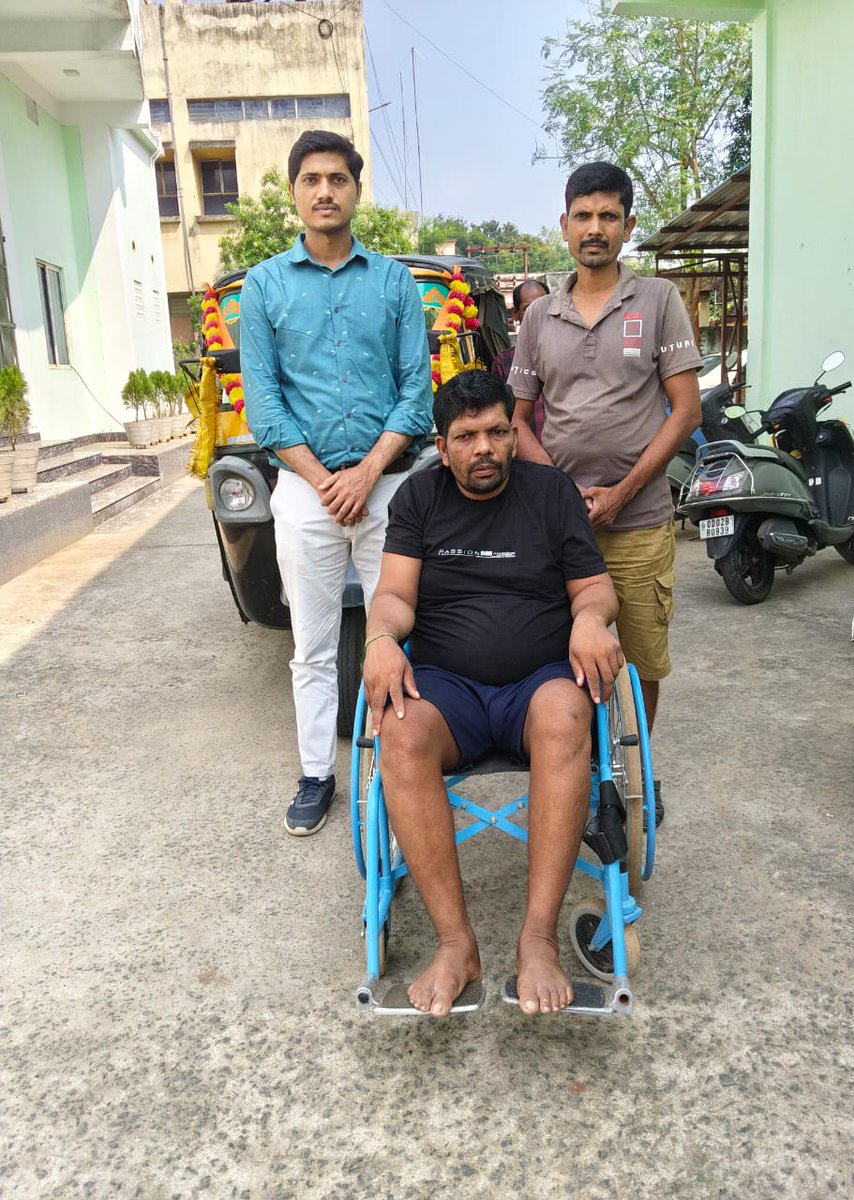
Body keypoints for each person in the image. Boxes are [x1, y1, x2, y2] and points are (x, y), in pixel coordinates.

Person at [363, 370, 624, 1017]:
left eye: (497, 432)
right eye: (466, 436)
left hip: (537, 682)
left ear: (515, 433)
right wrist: (380, 638)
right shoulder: (418, 499)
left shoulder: (550, 493)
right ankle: (457, 946)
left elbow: (594, 587)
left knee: (569, 713)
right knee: (397, 732)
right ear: (442, 444)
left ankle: (537, 943)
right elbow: (395, 595)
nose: (483, 448)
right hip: (447, 689)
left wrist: (590, 618)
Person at [240, 130, 432, 837]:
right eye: (311, 179)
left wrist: (369, 471)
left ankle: (397, 767)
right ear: (295, 192)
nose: (325, 191)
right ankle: (317, 774)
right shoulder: (264, 285)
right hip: (306, 491)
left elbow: (415, 393)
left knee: (400, 634)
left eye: (338, 179)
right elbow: (264, 404)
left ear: (356, 190)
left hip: (390, 487)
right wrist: (327, 480)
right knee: (314, 644)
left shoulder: (393, 283)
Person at [509, 162, 702, 821]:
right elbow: (517, 421)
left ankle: (632, 766)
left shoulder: (657, 302)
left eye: (608, 216)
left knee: (642, 659)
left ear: (627, 225)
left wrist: (620, 493)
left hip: (642, 520)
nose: (595, 229)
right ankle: (585, 769)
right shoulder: (538, 315)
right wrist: (564, 497)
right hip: (560, 529)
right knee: (562, 654)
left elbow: (684, 412)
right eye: (583, 216)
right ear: (564, 226)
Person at [491, 278, 550, 440]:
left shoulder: (569, 353)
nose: (539, 314)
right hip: (526, 453)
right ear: (515, 314)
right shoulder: (503, 362)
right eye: (529, 309)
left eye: (544, 306)